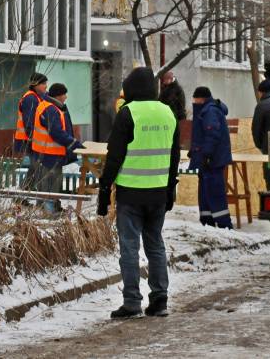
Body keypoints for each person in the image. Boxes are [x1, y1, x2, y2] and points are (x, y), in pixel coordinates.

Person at [97, 67, 180, 319]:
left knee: (130, 248)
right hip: (158, 194)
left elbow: (114, 157)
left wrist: (103, 190)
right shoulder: (168, 113)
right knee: (155, 245)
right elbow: (174, 155)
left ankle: (132, 301)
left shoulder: (127, 113)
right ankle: (160, 300)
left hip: (131, 194)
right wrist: (170, 190)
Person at [29, 83, 82, 210]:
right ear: (58, 96)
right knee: (50, 185)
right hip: (49, 154)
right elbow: (56, 132)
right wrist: (74, 144)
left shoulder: (52, 106)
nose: (66, 97)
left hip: (48, 153)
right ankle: (49, 211)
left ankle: (51, 207)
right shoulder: (50, 109)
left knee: (50, 183)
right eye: (64, 94)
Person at [189, 86, 233, 229]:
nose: (194, 101)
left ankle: (224, 224)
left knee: (214, 191)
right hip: (210, 158)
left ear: (201, 98)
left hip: (212, 159)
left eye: (195, 98)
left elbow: (212, 134)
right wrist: (194, 151)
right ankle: (207, 221)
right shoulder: (209, 109)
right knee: (206, 191)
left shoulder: (210, 111)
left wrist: (206, 155)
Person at [13, 74, 48, 157]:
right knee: (33, 168)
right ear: (35, 85)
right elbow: (29, 122)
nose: (46, 86)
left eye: (46, 83)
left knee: (35, 168)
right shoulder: (30, 99)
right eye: (43, 84)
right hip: (27, 142)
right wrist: (34, 140)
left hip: (29, 141)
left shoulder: (36, 97)